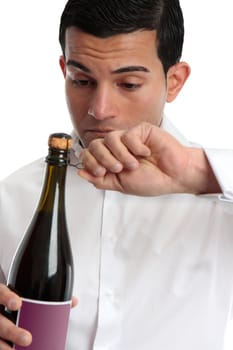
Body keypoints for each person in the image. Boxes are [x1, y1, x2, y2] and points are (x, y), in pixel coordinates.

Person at [0, 0, 233, 349]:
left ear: (175, 81)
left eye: (128, 84)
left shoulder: (218, 195)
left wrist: (194, 172)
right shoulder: (11, 199)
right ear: (64, 70)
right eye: (81, 80)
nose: (99, 109)